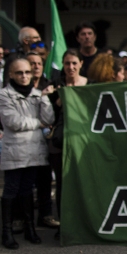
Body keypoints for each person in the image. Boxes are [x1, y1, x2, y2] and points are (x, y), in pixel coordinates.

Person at [0, 57, 55, 249]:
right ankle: (6, 232)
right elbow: (13, 122)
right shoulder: (4, 95)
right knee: (11, 190)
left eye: (27, 72)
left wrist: (45, 99)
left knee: (27, 190)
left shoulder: (38, 94)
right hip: (15, 151)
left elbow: (49, 119)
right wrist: (38, 124)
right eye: (19, 73)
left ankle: (30, 229)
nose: (24, 76)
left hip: (34, 151)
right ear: (11, 75)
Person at [46, 51, 88, 240]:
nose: (70, 67)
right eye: (67, 63)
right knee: (62, 185)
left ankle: (83, 224)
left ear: (81, 63)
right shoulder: (56, 86)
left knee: (82, 183)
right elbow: (48, 116)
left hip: (83, 142)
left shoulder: (90, 85)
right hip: (60, 143)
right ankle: (64, 225)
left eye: (74, 63)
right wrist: (55, 101)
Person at [26, 52, 61, 229]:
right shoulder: (18, 87)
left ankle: (45, 215)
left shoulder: (50, 85)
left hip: (45, 141)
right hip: (24, 142)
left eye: (39, 63)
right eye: (32, 63)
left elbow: (53, 116)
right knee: (24, 183)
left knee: (45, 180)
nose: (36, 67)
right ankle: (22, 218)